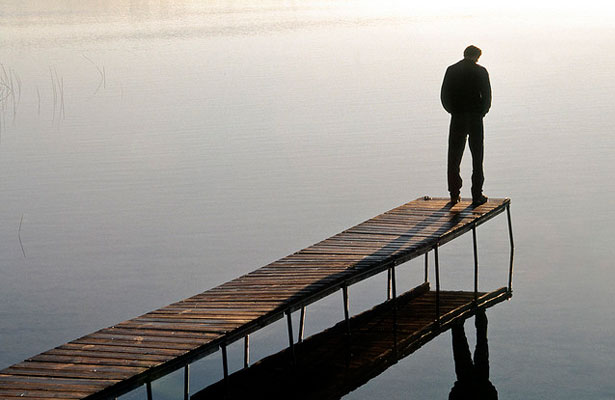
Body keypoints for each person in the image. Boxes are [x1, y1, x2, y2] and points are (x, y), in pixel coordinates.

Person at [441, 45, 491, 206]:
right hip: (475, 118)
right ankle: (477, 194)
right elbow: (487, 96)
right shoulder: (481, 71)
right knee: (477, 157)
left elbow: (444, 95)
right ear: (477, 56)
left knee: (454, 157)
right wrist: (482, 112)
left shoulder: (451, 70)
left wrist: (453, 111)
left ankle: (454, 194)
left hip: (457, 118)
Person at [449, 309, 498, 400]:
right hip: (471, 385)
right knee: (463, 351)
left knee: (480, 346)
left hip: (475, 384)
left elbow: (493, 394)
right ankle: (461, 324)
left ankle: (480, 315)